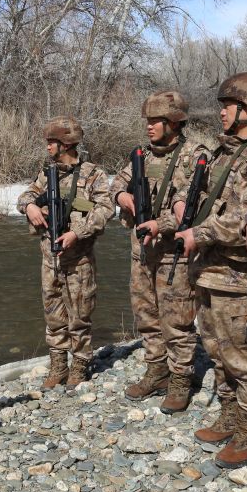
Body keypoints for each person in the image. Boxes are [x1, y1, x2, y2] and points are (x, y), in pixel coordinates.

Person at [173, 72, 247, 467]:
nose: (221, 112)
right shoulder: (225, 152)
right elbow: (204, 200)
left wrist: (199, 233)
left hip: (236, 277)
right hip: (209, 272)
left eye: (227, 106)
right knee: (218, 352)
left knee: (244, 359)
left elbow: (245, 220)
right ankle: (231, 414)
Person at [111, 91, 209, 414]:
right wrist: (123, 199)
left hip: (173, 255)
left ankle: (181, 379)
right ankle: (157, 370)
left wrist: (159, 223)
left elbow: (189, 206)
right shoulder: (142, 155)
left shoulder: (194, 155)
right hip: (142, 251)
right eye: (148, 121)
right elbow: (117, 184)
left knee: (177, 320)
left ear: (174, 123)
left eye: (156, 121)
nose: (149, 127)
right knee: (146, 314)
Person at [17, 116, 114, 390]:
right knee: (53, 313)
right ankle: (58, 365)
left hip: (79, 259)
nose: (48, 147)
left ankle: (80, 364)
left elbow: (106, 209)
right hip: (50, 258)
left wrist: (77, 232)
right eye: (48, 141)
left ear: (67, 144)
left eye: (52, 142)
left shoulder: (92, 174)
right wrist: (30, 207)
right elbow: (25, 195)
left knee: (80, 314)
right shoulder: (46, 173)